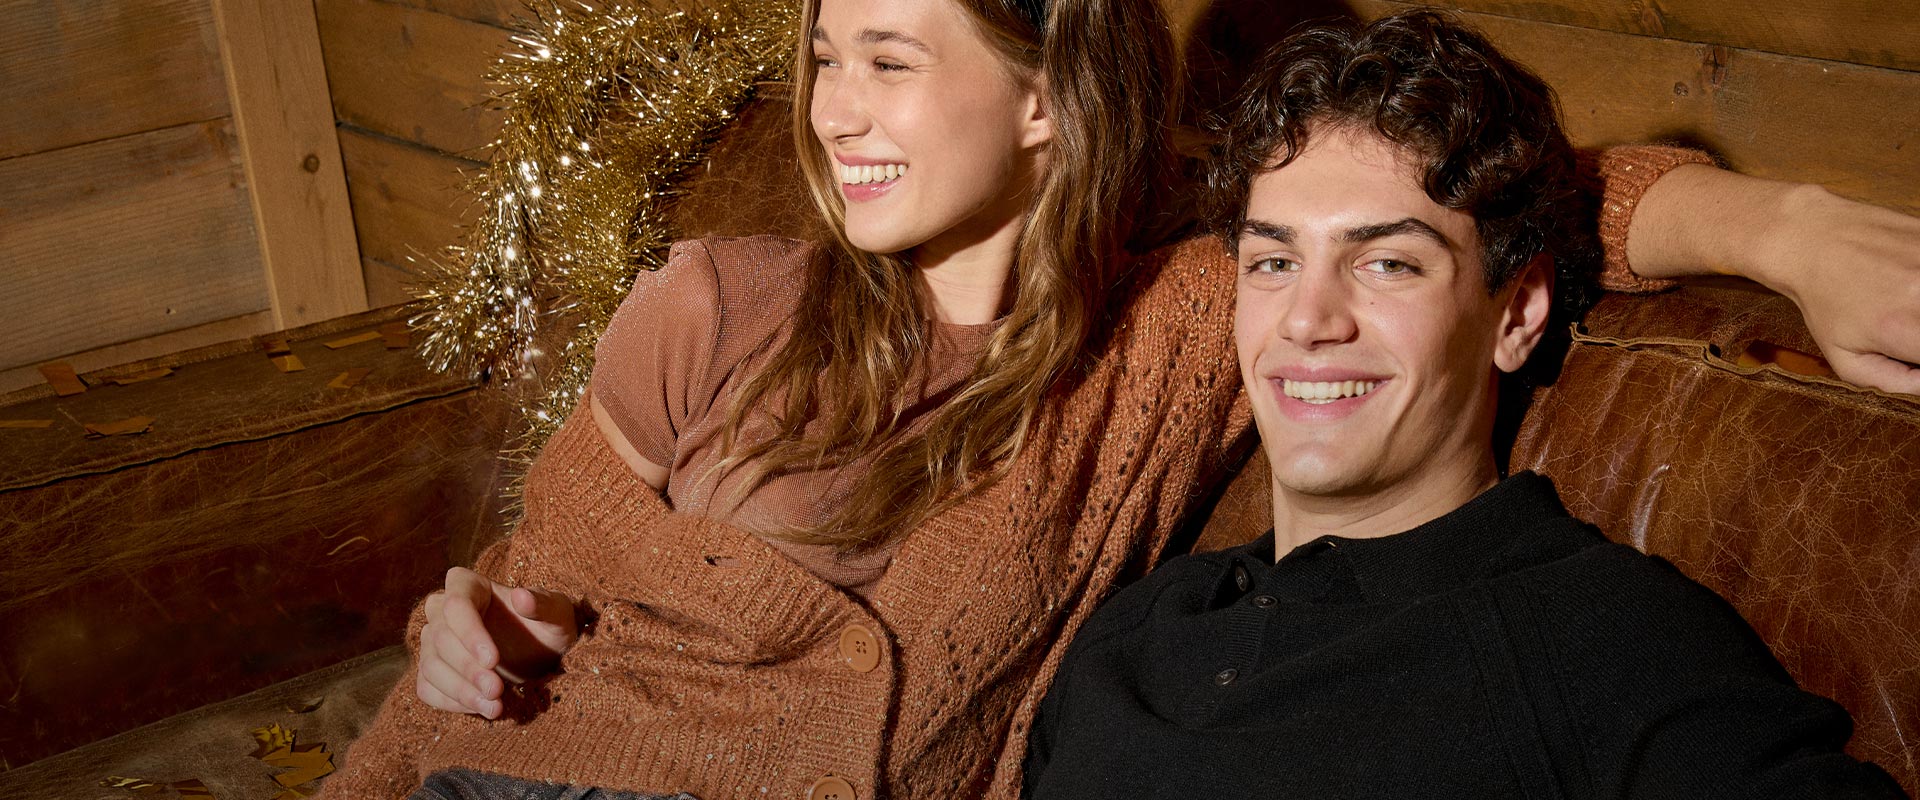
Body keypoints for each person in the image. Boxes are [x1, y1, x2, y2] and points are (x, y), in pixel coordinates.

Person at [326, 0, 1920, 798]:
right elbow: (506, 621)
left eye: (888, 59)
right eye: (822, 58)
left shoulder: (1176, 330)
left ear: (1042, 99)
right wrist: (457, 636)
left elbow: (1493, 201)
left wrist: (1789, 229)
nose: (835, 113)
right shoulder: (714, 299)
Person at [1021, 11, 1907, 799]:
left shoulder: (1598, 640)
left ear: (1515, 316)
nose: (1308, 320)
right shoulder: (1135, 632)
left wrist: (1794, 230)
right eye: (1275, 262)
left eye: (1388, 263)